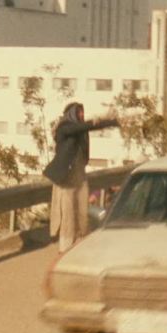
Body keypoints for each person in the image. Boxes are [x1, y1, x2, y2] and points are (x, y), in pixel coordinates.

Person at [43, 102, 119, 253]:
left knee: (82, 211)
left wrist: (112, 122)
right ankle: (65, 247)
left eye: (82, 112)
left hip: (79, 176)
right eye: (79, 112)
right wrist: (97, 120)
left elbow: (89, 126)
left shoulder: (81, 129)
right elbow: (80, 127)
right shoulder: (63, 127)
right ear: (71, 114)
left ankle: (79, 242)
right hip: (65, 178)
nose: (82, 115)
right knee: (68, 213)